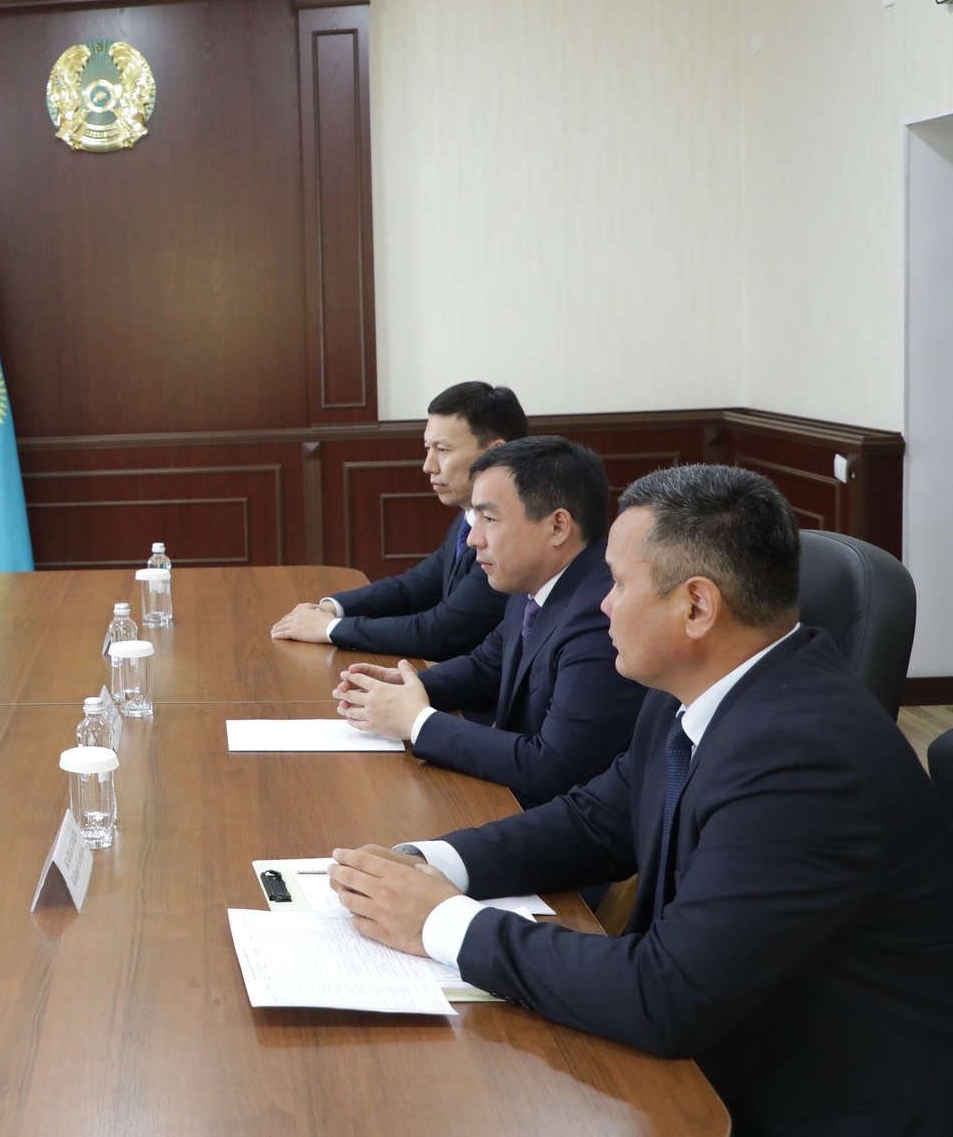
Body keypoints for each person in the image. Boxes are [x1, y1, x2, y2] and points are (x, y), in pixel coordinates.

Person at [326, 465, 953, 1136]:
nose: (602, 604)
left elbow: (666, 994)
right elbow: (595, 821)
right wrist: (427, 863)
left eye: (620, 584)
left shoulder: (803, 757)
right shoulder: (695, 690)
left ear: (696, 607)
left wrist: (440, 922)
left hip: (804, 1103)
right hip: (711, 1052)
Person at [333, 436, 641, 807]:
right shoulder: (533, 581)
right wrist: (406, 687)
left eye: (490, 519)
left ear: (558, 526)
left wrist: (418, 722)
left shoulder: (602, 614)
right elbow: (485, 668)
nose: (474, 538)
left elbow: (553, 766)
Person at [272, 382, 525, 661]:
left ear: (495, 453)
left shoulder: (512, 533)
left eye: (442, 450)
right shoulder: (468, 518)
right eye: (428, 448)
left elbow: (440, 633)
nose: (428, 466)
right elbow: (412, 587)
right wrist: (332, 608)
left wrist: (329, 629)